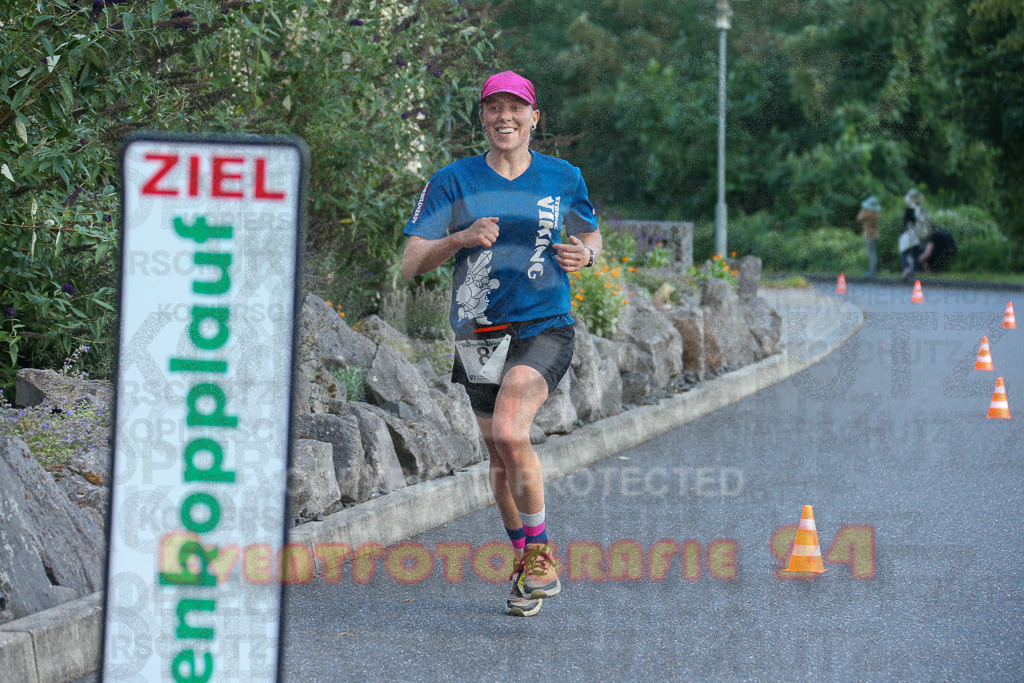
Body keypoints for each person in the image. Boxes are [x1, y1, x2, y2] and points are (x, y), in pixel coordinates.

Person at [401, 70, 602, 617]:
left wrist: (587, 256)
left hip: (544, 326)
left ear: (535, 117)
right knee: (498, 458)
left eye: (516, 107)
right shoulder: (454, 180)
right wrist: (460, 238)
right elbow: (411, 262)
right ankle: (525, 567)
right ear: (483, 117)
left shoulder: (563, 176)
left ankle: (540, 556)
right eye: (494, 108)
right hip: (478, 334)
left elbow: (589, 233)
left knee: (513, 433)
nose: (504, 117)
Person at [856, 196, 881, 277]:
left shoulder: (869, 214)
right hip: (874, 234)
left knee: (871, 253)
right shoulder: (876, 213)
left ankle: (872, 270)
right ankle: (873, 270)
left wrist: (863, 209)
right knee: (872, 252)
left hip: (870, 235)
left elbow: (859, 218)